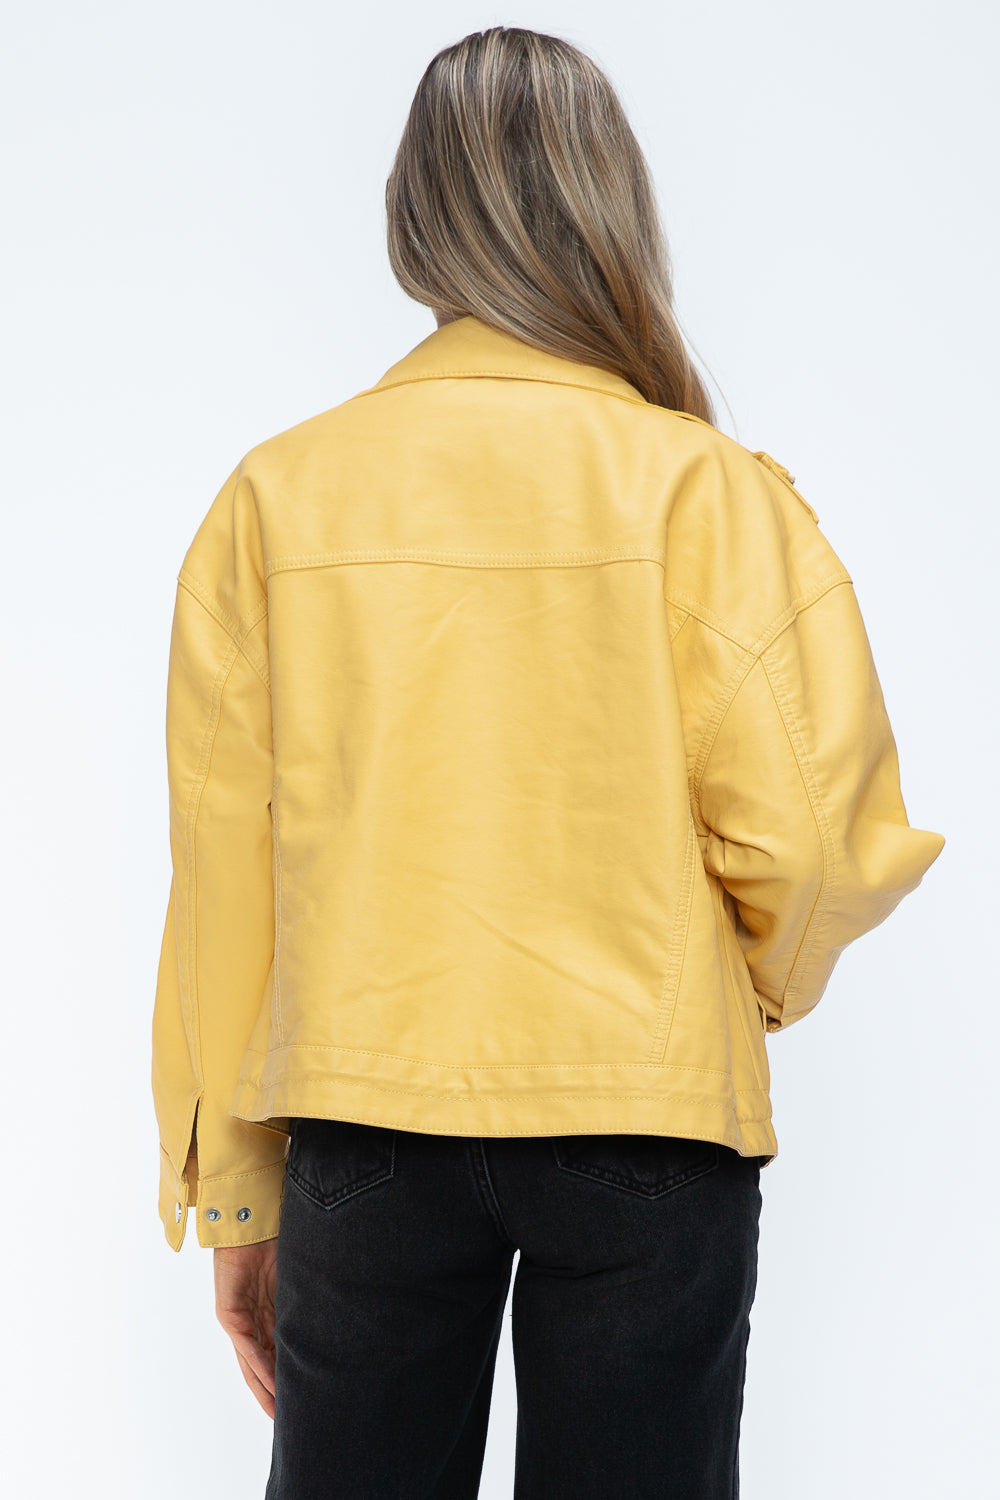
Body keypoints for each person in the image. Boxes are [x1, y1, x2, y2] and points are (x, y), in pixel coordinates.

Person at [150, 25, 946, 1499]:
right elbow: (826, 847)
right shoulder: (708, 490)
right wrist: (727, 996)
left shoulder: (278, 498)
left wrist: (238, 1193)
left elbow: (224, 877)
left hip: (364, 1124)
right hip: (647, 1120)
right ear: (610, 202)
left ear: (412, 214)